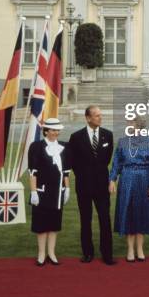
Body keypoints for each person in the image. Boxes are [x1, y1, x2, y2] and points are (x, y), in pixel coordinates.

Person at [68, 105, 115, 265]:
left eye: (100, 115)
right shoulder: (76, 137)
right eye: (96, 116)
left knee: (105, 219)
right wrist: (83, 175)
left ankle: (107, 254)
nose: (100, 118)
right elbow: (72, 161)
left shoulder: (108, 135)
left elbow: (107, 159)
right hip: (84, 185)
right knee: (85, 219)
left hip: (102, 185)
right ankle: (87, 253)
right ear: (88, 118)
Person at [109, 117, 149, 261]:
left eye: (131, 123)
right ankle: (130, 250)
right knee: (128, 213)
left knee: (141, 214)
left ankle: (140, 249)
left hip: (144, 179)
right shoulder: (123, 141)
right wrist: (112, 179)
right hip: (126, 179)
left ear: (139, 125)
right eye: (128, 123)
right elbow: (116, 163)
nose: (128, 125)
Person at [28, 117, 71, 266]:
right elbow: (33, 172)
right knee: (41, 224)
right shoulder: (36, 147)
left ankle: (51, 253)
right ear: (46, 131)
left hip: (58, 192)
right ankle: (41, 253)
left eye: (57, 130)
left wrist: (68, 188)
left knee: (54, 224)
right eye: (53, 130)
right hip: (41, 192)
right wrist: (33, 191)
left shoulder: (63, 147)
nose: (56, 133)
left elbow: (65, 171)